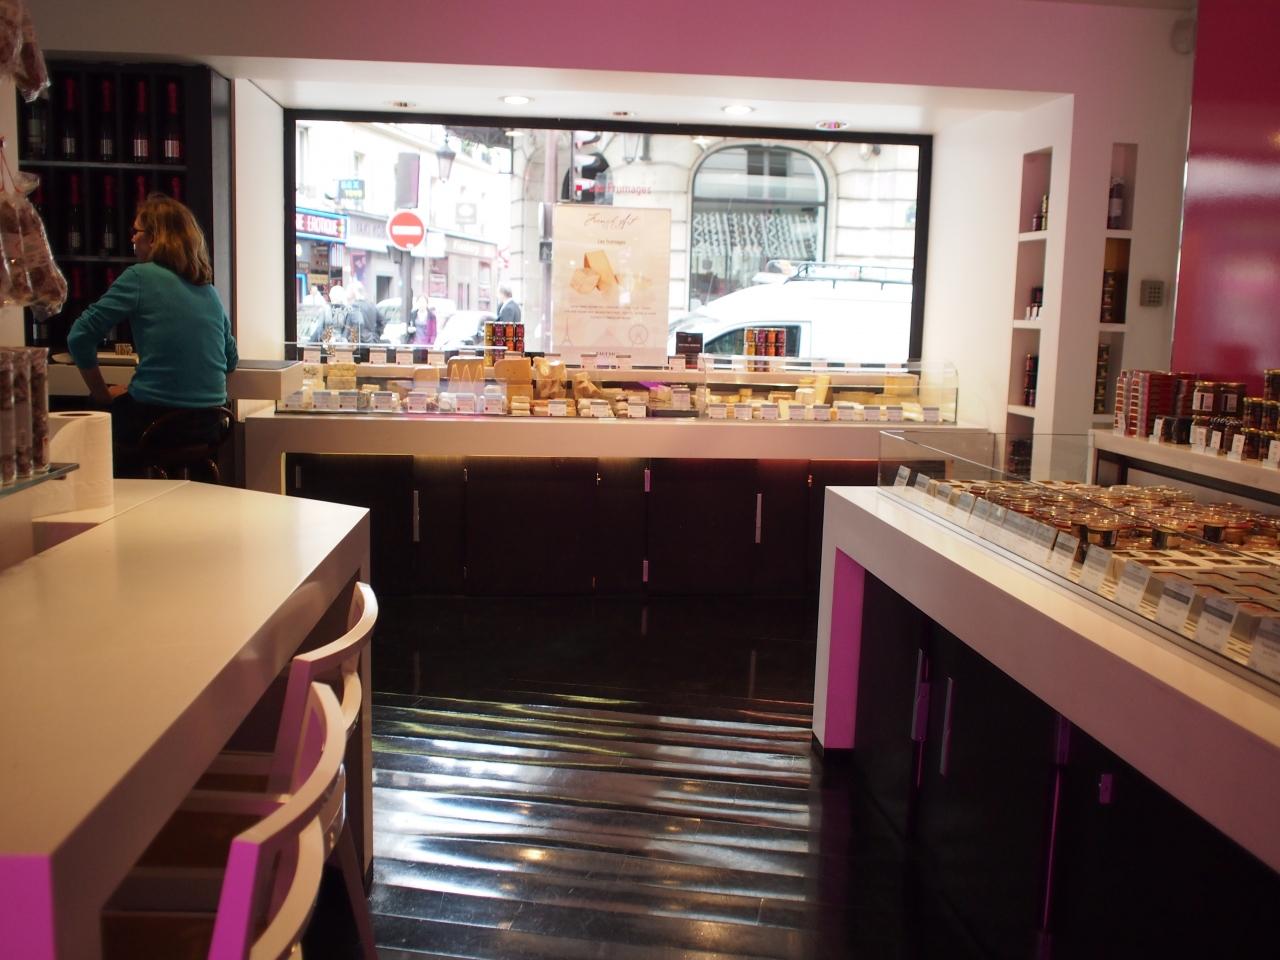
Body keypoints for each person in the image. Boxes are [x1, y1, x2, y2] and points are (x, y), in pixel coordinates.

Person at [67, 193, 237, 472]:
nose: (132, 238)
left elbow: (79, 336)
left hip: (154, 423)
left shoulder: (140, 276)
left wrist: (102, 394)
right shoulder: (208, 290)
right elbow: (231, 359)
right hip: (210, 424)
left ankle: (120, 494)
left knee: (94, 412)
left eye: (137, 231)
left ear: (156, 238)